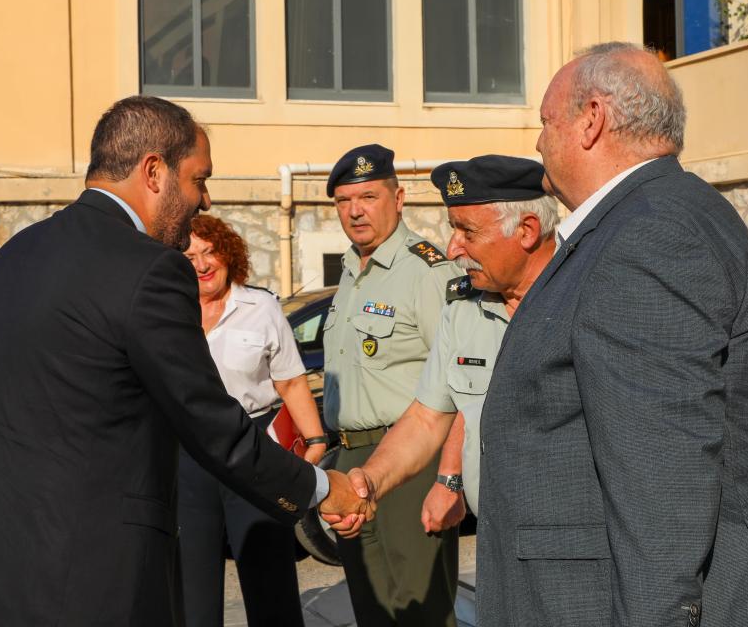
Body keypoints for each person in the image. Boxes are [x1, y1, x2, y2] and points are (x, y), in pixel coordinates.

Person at [0, 97, 367, 627]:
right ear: (154, 171)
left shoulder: (8, 260)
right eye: (199, 179)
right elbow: (209, 422)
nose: (205, 199)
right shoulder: (151, 270)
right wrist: (321, 487)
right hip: (94, 582)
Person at [477, 44, 748, 626]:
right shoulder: (645, 219)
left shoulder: (649, 235)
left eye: (546, 121)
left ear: (592, 119)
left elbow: (661, 478)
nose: (538, 143)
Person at [330, 156, 557, 524]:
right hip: (497, 534)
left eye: (468, 232)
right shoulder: (464, 308)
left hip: (574, 546)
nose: (453, 249)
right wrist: (371, 480)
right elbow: (427, 417)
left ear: (526, 230)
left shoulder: (586, 298)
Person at [320, 143, 460, 627]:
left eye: (368, 196)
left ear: (398, 199)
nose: (355, 211)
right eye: (343, 201)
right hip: (351, 460)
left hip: (411, 462)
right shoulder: (350, 270)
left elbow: (459, 382)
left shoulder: (426, 270)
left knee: (420, 607)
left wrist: (449, 476)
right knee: (372, 607)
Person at [177, 214, 327, 627]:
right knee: (191, 583)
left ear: (229, 254)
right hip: (188, 452)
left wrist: (314, 442)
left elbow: (292, 382)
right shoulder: (167, 309)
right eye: (190, 256)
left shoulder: (260, 306)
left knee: (269, 576)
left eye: (211, 252)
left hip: (254, 445)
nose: (203, 264)